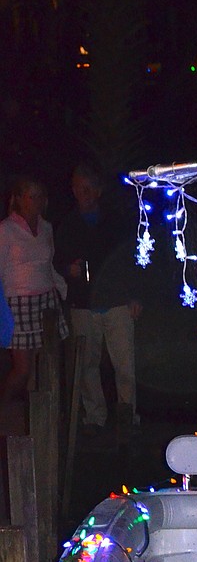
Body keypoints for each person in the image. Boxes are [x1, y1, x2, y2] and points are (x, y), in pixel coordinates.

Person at [55, 163, 142, 428]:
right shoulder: (68, 224)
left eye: (88, 188)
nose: (84, 194)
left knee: (124, 366)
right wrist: (68, 268)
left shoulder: (116, 221)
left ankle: (127, 417)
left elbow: (132, 259)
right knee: (86, 366)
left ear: (98, 190)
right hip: (83, 304)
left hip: (117, 303)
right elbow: (57, 260)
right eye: (79, 189)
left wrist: (135, 295)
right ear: (73, 190)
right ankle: (94, 417)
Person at [0, 175, 68, 404]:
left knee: (43, 368)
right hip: (18, 303)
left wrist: (63, 289)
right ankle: (3, 408)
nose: (36, 201)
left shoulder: (46, 227)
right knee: (22, 370)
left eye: (40, 196)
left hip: (46, 300)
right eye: (31, 196)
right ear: (19, 199)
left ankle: (35, 416)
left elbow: (49, 265)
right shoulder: (6, 229)